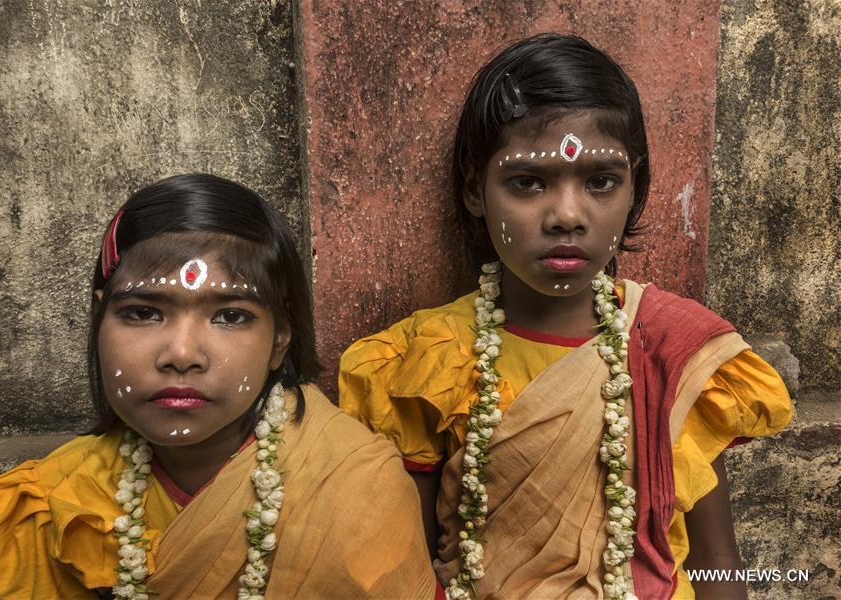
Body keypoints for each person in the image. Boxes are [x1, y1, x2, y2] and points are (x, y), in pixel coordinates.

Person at [339, 34, 792, 600]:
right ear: (475, 190)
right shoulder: (427, 360)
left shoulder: (676, 350)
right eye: (527, 183)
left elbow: (717, 565)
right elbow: (407, 571)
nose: (567, 216)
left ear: (637, 189)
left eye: (600, 181)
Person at [0, 174, 437, 599]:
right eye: (143, 312)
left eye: (231, 316)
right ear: (99, 319)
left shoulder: (356, 491)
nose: (181, 353)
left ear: (279, 342)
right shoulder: (56, 503)